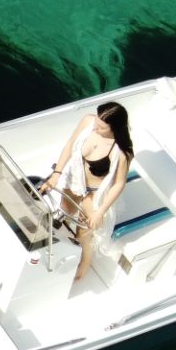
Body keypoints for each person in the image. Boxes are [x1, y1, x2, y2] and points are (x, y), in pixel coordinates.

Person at [38, 101, 134, 282]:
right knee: (64, 212)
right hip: (75, 180)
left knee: (85, 231)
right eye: (97, 120)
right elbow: (69, 145)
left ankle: (86, 260)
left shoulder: (122, 152)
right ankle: (55, 245)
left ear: (114, 127)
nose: (96, 126)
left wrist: (100, 212)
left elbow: (119, 184)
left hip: (94, 193)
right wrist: (56, 174)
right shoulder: (88, 121)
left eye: (102, 126)